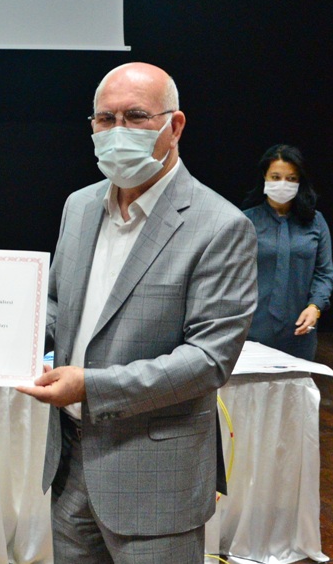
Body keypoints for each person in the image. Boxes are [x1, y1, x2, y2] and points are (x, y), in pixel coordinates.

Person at [17, 62, 258, 563]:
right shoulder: (79, 206)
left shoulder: (220, 226)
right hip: (69, 464)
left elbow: (208, 360)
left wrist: (92, 387)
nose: (117, 131)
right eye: (105, 119)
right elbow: (59, 307)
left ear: (175, 126)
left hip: (156, 477)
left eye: (136, 117)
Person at [241, 144, 333, 360]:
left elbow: (324, 273)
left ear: (300, 181)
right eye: (276, 177)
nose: (283, 184)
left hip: (299, 330)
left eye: (291, 178)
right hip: (251, 329)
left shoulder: (316, 222)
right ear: (264, 177)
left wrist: (315, 307)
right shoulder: (245, 221)